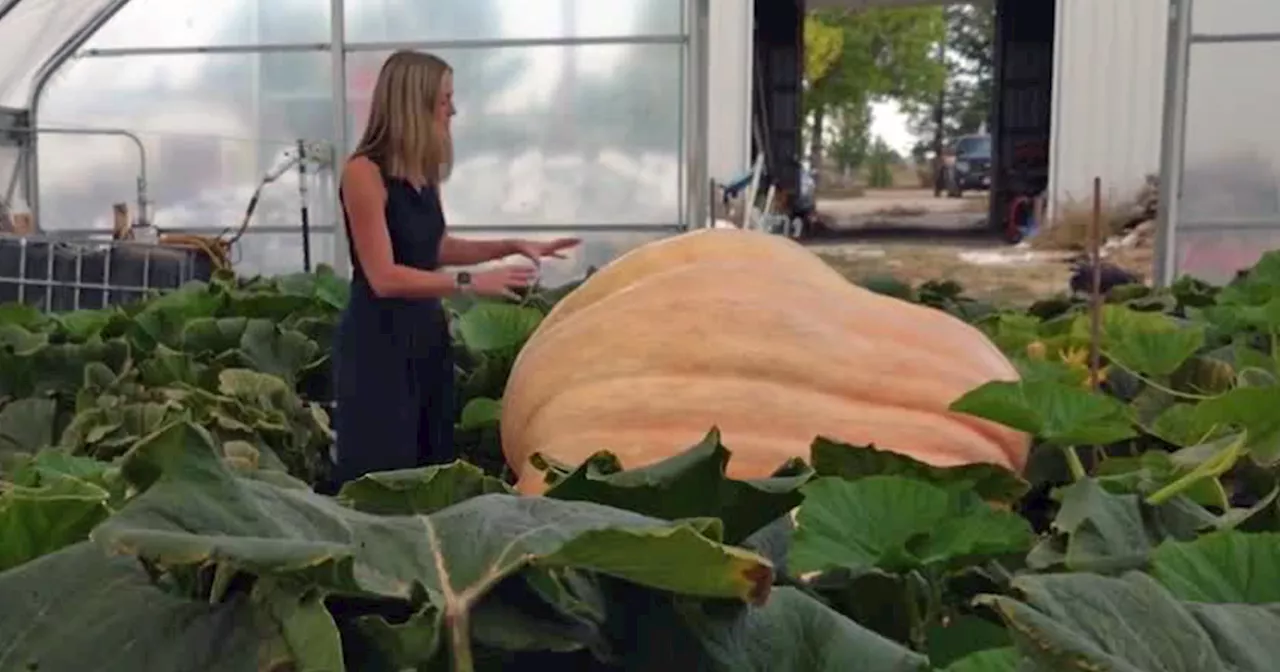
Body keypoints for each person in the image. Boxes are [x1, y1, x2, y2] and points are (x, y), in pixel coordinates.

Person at [333, 50, 580, 486]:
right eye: (445, 99)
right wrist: (471, 282)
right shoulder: (362, 174)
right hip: (379, 348)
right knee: (383, 476)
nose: (453, 109)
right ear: (415, 102)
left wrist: (511, 245)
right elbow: (384, 276)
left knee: (432, 467)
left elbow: (436, 246)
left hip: (426, 340)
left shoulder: (420, 173)